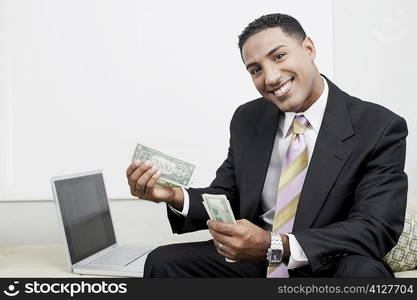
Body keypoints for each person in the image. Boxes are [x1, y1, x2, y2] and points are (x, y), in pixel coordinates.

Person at [126, 13, 408, 277]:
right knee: (164, 262)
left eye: (279, 56)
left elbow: (375, 228)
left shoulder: (378, 127)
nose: (270, 77)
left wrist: (277, 244)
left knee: (363, 273)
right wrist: (173, 195)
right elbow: (227, 197)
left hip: (328, 262)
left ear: (308, 48)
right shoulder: (248, 118)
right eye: (256, 69)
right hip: (257, 261)